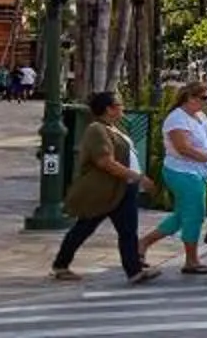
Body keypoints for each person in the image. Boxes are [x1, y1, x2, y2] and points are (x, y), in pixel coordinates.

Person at [52, 89, 158, 285]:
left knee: (128, 231)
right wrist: (137, 177)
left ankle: (134, 271)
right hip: (104, 190)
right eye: (119, 105)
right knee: (84, 227)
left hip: (123, 188)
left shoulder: (114, 128)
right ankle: (61, 264)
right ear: (108, 109)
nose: (122, 108)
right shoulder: (97, 130)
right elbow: (105, 162)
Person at [141, 80, 207, 276]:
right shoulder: (177, 119)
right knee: (195, 214)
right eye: (203, 98)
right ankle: (191, 260)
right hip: (182, 172)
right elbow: (183, 149)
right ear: (190, 98)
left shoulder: (200, 116)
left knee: (181, 216)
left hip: (198, 172)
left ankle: (142, 244)